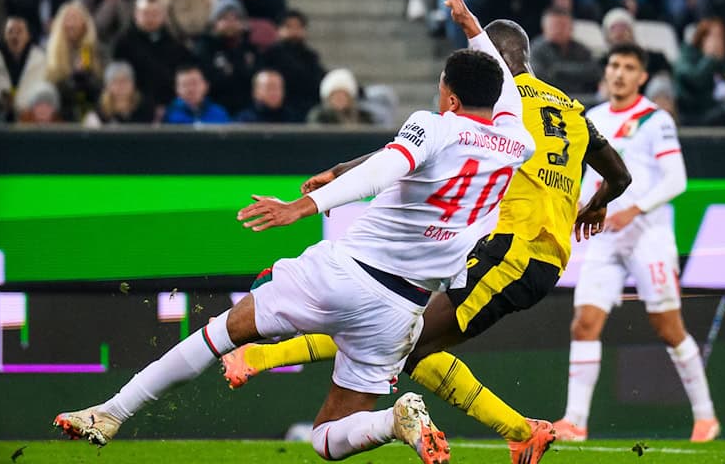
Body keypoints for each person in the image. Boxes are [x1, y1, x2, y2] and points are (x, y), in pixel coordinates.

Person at [54, 35, 537, 464]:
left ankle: (111, 413)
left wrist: (304, 206)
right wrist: (471, 23)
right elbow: (509, 96)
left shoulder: (434, 125)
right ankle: (393, 422)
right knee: (326, 438)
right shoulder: (517, 143)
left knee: (223, 331)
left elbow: (381, 171)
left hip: (344, 274)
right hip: (402, 311)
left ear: (449, 95)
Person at [219, 0, 633, 464]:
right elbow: (620, 175)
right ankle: (522, 432)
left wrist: (338, 173)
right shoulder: (570, 109)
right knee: (400, 335)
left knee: (401, 339)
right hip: (526, 254)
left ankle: (262, 354)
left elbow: (409, 152)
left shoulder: (504, 113)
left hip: (512, 252)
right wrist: (596, 204)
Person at [551, 41, 721, 444]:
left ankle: (706, 416)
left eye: (628, 67)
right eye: (613, 65)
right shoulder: (588, 118)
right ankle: (574, 420)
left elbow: (676, 179)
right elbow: (581, 176)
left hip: (649, 236)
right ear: (605, 71)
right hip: (605, 237)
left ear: (641, 76)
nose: (619, 73)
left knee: (668, 327)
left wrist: (634, 208)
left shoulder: (655, 119)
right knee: (585, 323)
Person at [530, 6, 603, 98]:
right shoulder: (536, 50)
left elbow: (594, 72)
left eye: (563, 26)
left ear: (571, 27)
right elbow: (539, 77)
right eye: (555, 26)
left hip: (580, 99)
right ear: (544, 28)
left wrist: (558, 70)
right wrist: (575, 78)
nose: (559, 30)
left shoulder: (580, 49)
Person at [82, 61, 157, 126]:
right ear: (107, 86)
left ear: (133, 84)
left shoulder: (145, 112)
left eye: (125, 80)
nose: (121, 86)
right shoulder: (96, 117)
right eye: (115, 81)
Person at [162, 64, 231, 124]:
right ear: (177, 89)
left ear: (206, 85)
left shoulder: (219, 113)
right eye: (185, 85)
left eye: (194, 83)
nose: (190, 89)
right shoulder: (169, 114)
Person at [306, 68, 378, 126]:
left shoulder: (364, 116)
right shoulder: (320, 117)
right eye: (335, 95)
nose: (339, 99)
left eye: (343, 95)